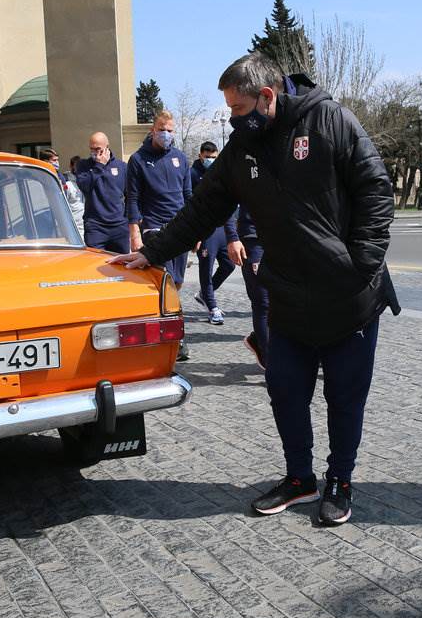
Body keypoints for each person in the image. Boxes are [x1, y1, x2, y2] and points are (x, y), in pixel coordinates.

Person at [110, 52, 399, 526]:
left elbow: (376, 191)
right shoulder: (243, 148)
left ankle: (341, 481)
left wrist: (360, 266)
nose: (231, 120)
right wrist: (154, 252)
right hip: (286, 296)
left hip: (349, 298)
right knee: (285, 393)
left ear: (268, 96)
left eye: (238, 110)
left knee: (344, 398)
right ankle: (300, 478)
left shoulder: (330, 120)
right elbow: (203, 207)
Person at [126, 111, 192, 360]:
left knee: (177, 282)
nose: (167, 134)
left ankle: (172, 326)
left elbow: (188, 196)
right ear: (153, 130)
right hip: (154, 227)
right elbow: (132, 198)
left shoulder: (180, 158)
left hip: (181, 227)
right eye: (163, 129)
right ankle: (175, 337)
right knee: (164, 281)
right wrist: (135, 232)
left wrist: (195, 231)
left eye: (171, 130)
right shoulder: (138, 160)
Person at [189, 141, 235, 325]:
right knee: (206, 269)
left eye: (214, 157)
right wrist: (195, 234)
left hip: (221, 228)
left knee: (229, 265)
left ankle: (204, 294)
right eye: (207, 157)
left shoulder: (221, 172)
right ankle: (212, 307)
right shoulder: (193, 174)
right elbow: (189, 204)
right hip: (204, 229)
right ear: (200, 155)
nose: (210, 160)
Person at [225, 207, 268, 369]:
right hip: (253, 240)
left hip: (281, 239)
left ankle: (259, 339)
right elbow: (228, 200)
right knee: (263, 302)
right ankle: (270, 361)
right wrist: (232, 237)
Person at [75, 132, 129, 253]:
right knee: (95, 266)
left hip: (119, 227)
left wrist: (126, 219)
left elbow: (130, 195)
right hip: (95, 227)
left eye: (98, 149)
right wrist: (99, 166)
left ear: (107, 147)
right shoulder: (83, 165)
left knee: (122, 266)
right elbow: (84, 186)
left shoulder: (121, 167)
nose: (95, 152)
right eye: (92, 149)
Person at [39, 148, 84, 237]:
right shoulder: (40, 178)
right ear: (45, 161)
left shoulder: (59, 177)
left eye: (57, 160)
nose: (57, 162)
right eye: (54, 160)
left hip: (72, 224)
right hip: (50, 221)